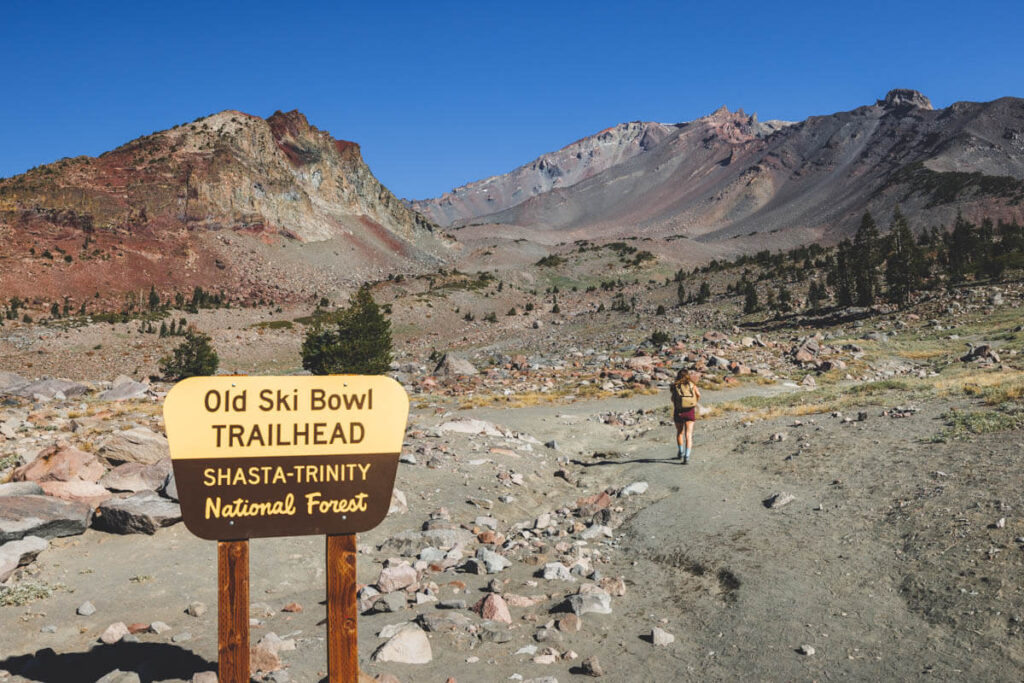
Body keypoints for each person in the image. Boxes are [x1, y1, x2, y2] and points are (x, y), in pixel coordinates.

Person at [670, 369, 701, 463]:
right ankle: (686, 457)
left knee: (680, 432)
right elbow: (698, 394)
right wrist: (694, 402)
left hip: (678, 411)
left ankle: (680, 452)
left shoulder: (675, 386)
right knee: (689, 435)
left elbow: (672, 398)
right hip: (689, 411)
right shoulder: (692, 385)